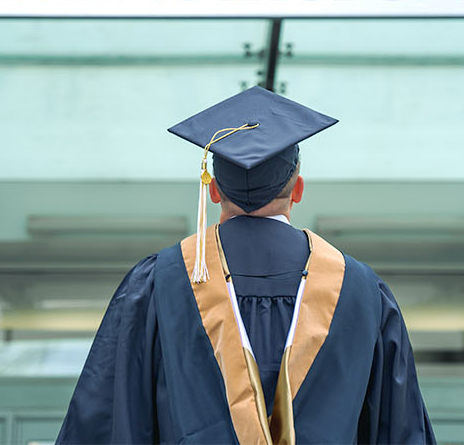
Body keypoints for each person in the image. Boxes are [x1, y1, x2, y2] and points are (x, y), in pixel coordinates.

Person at [55, 86, 436, 445]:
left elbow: (107, 421)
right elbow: (400, 430)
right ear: (298, 190)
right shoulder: (360, 290)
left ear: (214, 189)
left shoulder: (159, 282)